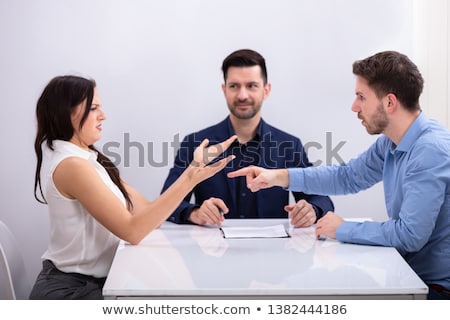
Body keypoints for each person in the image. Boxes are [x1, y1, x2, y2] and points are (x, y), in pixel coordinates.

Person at [228, 51, 450, 300]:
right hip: (407, 281)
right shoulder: (391, 143)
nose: (354, 106)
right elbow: (348, 177)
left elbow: (409, 236)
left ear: (389, 103)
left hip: (434, 293)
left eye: (361, 97)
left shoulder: (430, 151)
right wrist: (278, 177)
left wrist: (343, 228)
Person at [30, 75, 236, 299]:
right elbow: (133, 231)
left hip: (96, 283)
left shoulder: (90, 158)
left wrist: (193, 173)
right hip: (70, 291)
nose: (103, 115)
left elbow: (150, 218)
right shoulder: (72, 165)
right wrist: (191, 178)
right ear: (66, 113)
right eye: (93, 108)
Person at [161, 49, 334, 227]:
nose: (242, 95)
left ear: (266, 90)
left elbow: (321, 199)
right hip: (211, 250)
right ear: (224, 90)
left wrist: (311, 210)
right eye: (234, 86)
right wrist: (195, 213)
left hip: (274, 252)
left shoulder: (289, 145)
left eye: (251, 86)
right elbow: (165, 203)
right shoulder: (196, 144)